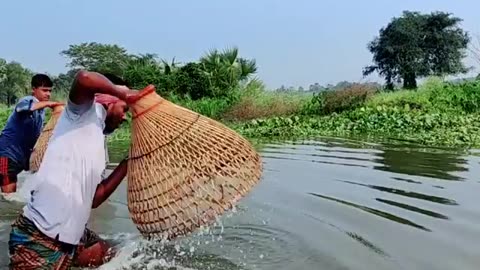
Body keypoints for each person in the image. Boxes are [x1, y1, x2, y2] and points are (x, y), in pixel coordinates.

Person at [7, 70, 141, 269]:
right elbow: (84, 78)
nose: (124, 118)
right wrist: (124, 93)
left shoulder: (99, 141)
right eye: (124, 109)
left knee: (119, 258)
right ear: (110, 100)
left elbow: (95, 198)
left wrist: (127, 163)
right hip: (39, 239)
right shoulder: (82, 113)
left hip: (73, 236)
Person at [0, 74, 63, 193]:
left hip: (20, 157)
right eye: (44, 90)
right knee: (8, 195)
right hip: (5, 155)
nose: (48, 94)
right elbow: (21, 108)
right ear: (34, 89)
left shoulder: (41, 112)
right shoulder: (28, 100)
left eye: (50, 91)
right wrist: (50, 104)